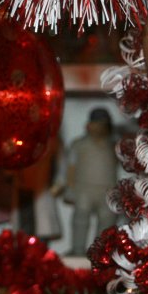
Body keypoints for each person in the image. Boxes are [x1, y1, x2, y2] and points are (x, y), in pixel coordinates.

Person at [55, 108, 118, 256]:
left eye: (103, 125)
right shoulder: (79, 145)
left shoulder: (114, 147)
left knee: (106, 221)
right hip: (84, 189)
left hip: (107, 190)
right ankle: (77, 249)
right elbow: (70, 167)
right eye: (97, 124)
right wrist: (69, 188)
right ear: (89, 126)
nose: (99, 128)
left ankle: (101, 252)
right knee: (80, 219)